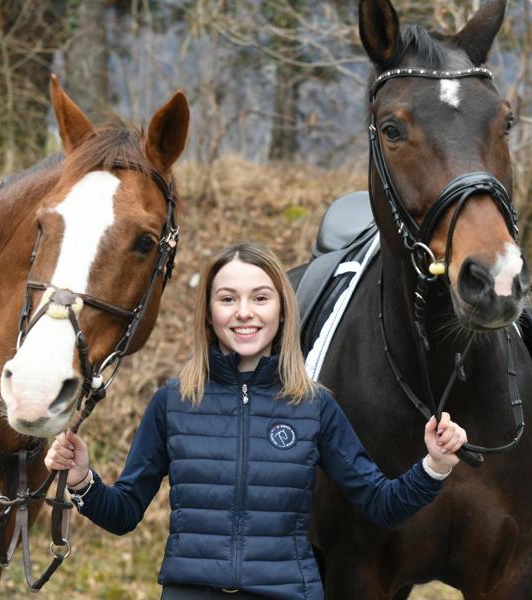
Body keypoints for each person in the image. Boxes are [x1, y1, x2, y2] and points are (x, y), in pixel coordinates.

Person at [45, 242, 468, 600]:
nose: (244, 312)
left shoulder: (314, 406)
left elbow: (381, 503)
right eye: (228, 299)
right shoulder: (173, 403)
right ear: (209, 313)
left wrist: (434, 466)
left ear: (282, 311)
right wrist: (83, 481)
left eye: (260, 298)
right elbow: (123, 514)